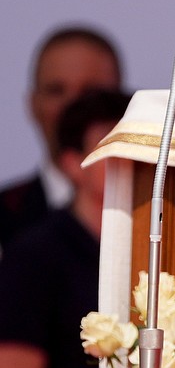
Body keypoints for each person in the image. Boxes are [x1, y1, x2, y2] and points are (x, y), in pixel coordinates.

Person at [0, 89, 132, 368]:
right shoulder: (34, 255)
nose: (128, 161)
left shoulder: (156, 242)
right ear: (73, 164)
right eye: (111, 149)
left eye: (136, 146)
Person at [0, 27, 123, 254]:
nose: (72, 107)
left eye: (90, 93)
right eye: (56, 91)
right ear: (33, 105)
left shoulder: (158, 216)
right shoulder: (4, 215)